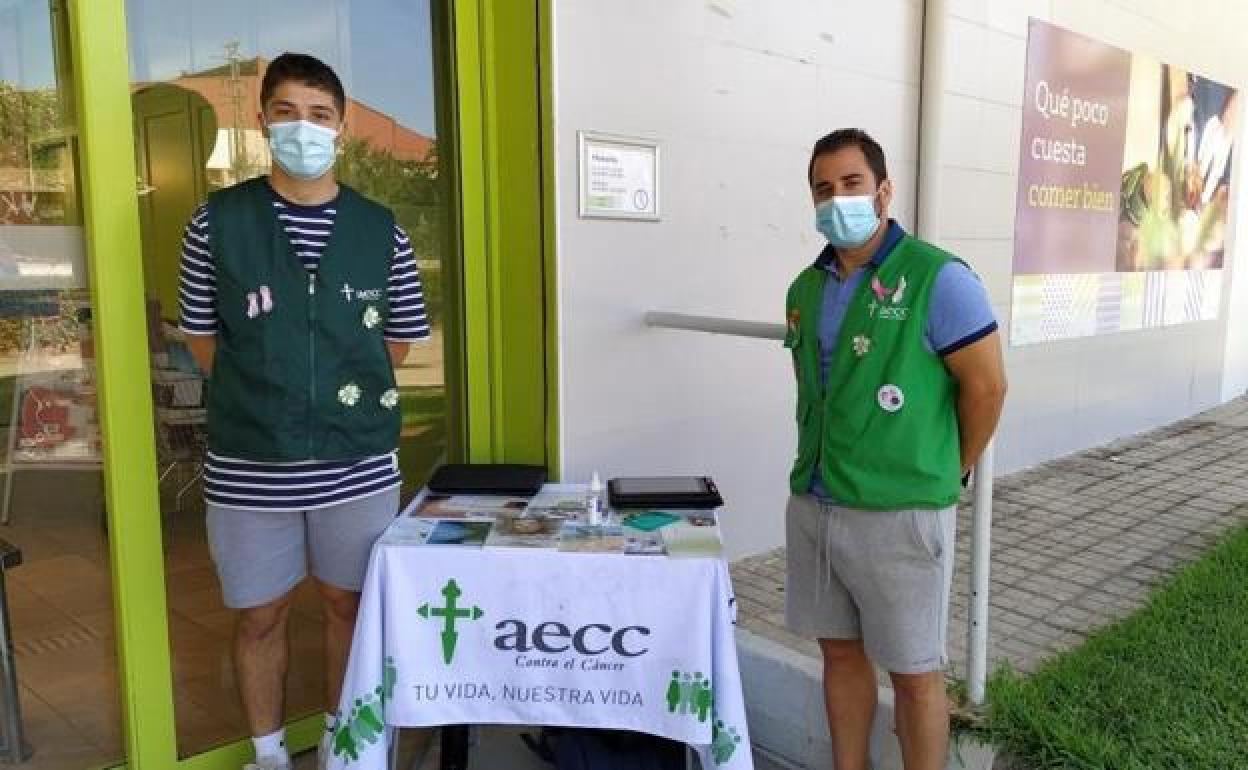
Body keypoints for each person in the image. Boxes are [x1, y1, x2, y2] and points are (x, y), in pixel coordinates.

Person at [178, 52, 430, 770]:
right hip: (250, 467)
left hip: (356, 464)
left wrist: (329, 396)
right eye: (286, 112)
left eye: (319, 115)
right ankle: (268, 754)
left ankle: (342, 742)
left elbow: (401, 340)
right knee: (260, 615)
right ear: (261, 122)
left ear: (341, 128)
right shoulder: (217, 224)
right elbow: (201, 337)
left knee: (349, 609)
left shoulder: (381, 230)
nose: (303, 128)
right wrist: (273, 393)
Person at [783, 128, 1006, 770]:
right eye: (823, 189)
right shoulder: (806, 289)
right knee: (841, 657)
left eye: (851, 183)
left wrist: (948, 469)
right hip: (817, 505)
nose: (836, 199)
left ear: (883, 191)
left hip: (901, 516)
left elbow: (987, 387)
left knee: (914, 675)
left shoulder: (940, 278)